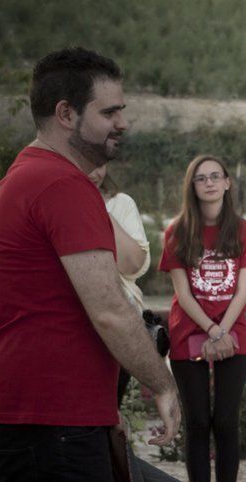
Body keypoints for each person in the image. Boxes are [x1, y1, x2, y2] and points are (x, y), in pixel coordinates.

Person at [0, 47, 180, 482]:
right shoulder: (60, 185)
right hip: (52, 431)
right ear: (66, 114)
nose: (123, 122)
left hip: (35, 424)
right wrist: (162, 384)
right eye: (109, 111)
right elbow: (111, 310)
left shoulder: (28, 175)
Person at [159, 155, 246, 482]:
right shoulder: (177, 231)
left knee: (226, 421)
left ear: (228, 183)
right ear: (193, 186)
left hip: (234, 332)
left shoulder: (244, 230)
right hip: (189, 331)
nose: (210, 183)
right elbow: (183, 294)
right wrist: (213, 330)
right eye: (202, 178)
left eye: (216, 177)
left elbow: (243, 290)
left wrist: (224, 331)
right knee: (198, 421)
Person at [88, 163, 151, 404]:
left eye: (99, 165)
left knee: (110, 408)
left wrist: (96, 206)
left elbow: (133, 264)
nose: (94, 173)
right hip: (68, 326)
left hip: (117, 324)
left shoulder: (121, 203)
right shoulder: (52, 200)